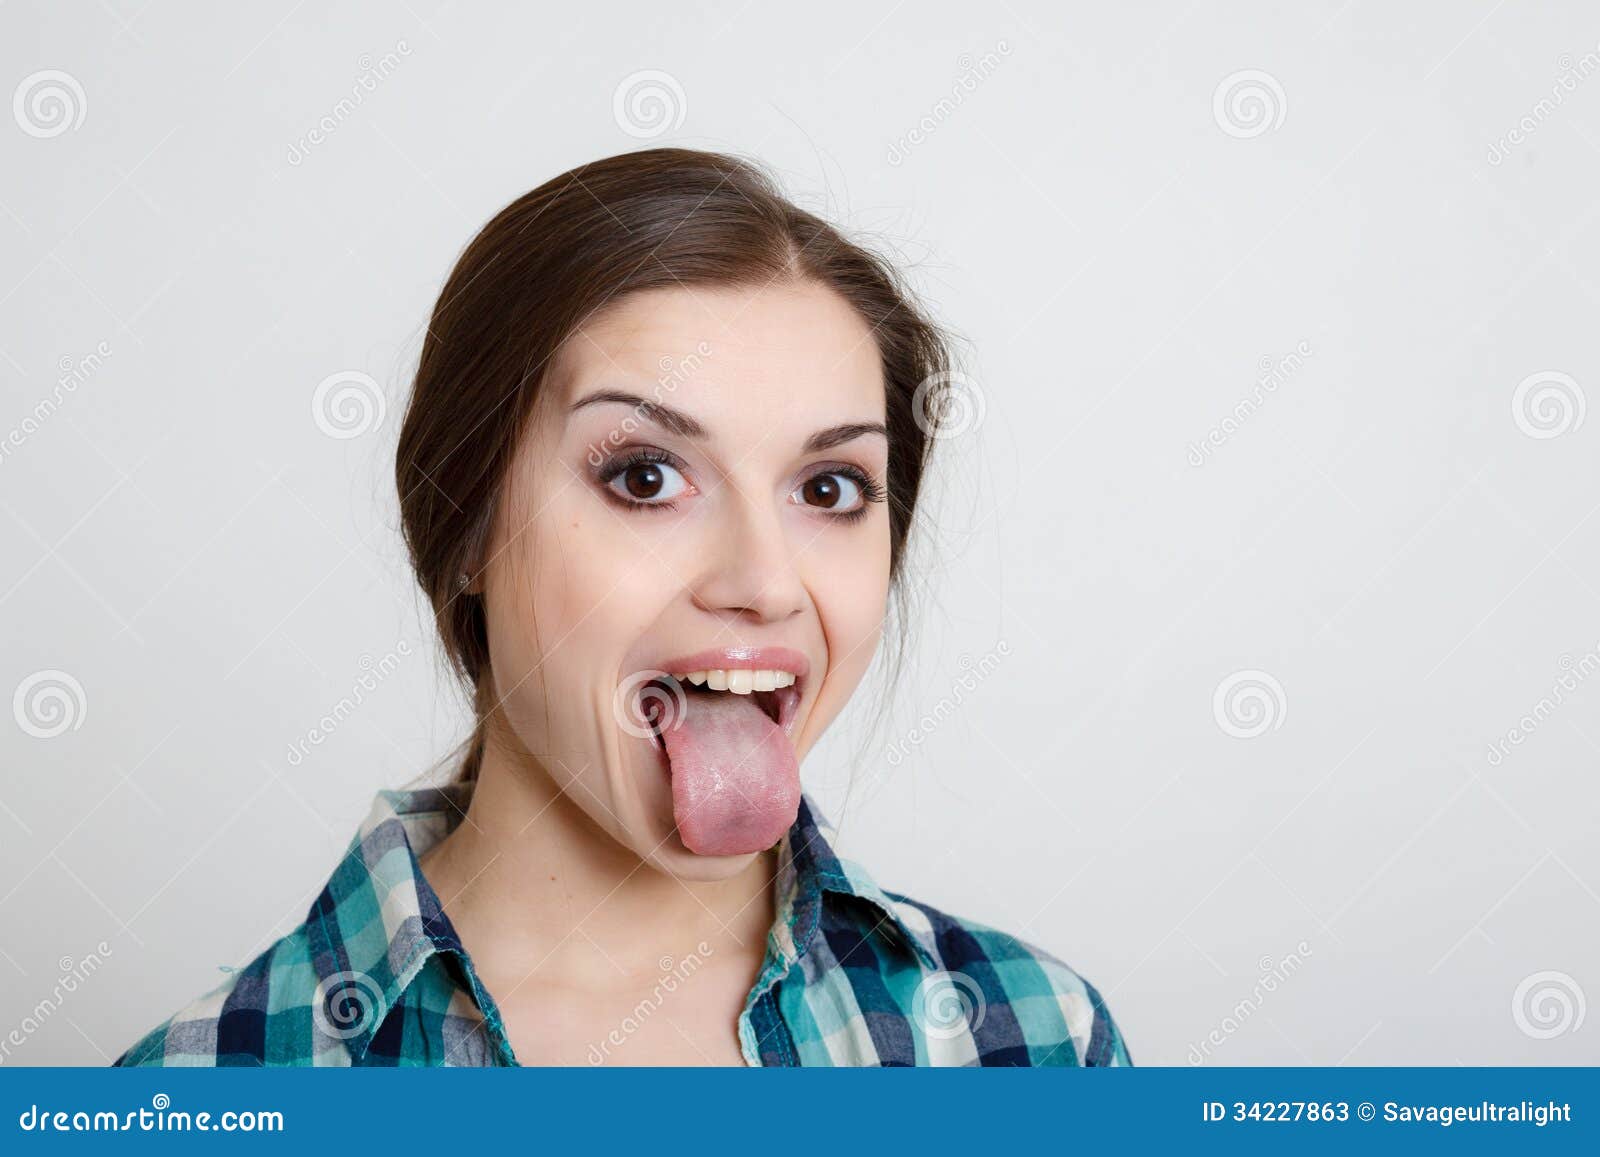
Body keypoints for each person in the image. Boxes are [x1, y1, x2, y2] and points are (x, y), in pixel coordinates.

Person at [114, 148, 1130, 1067]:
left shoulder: (1034, 1040)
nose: (765, 582)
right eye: (645, 476)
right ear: (468, 527)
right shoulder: (201, 1088)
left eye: (828, 488)